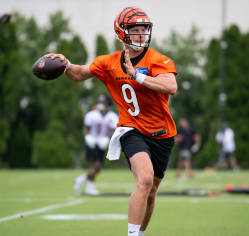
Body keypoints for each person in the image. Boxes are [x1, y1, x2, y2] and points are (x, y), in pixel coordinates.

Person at [44, 7, 177, 236]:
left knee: (152, 191)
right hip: (131, 129)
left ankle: (140, 233)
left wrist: (137, 75)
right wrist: (65, 65)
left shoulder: (158, 60)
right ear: (122, 33)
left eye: (144, 30)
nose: (141, 35)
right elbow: (78, 74)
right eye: (135, 30)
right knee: (144, 180)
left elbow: (170, 86)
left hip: (162, 134)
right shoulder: (108, 63)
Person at [73, 95, 118, 195]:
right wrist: (87, 137)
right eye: (100, 103)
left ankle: (89, 187)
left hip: (102, 142)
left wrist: (107, 138)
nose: (101, 105)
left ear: (108, 105)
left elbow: (112, 130)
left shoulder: (112, 116)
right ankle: (81, 180)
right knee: (97, 166)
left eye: (103, 103)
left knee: (97, 166)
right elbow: (86, 128)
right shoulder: (91, 114)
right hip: (92, 142)